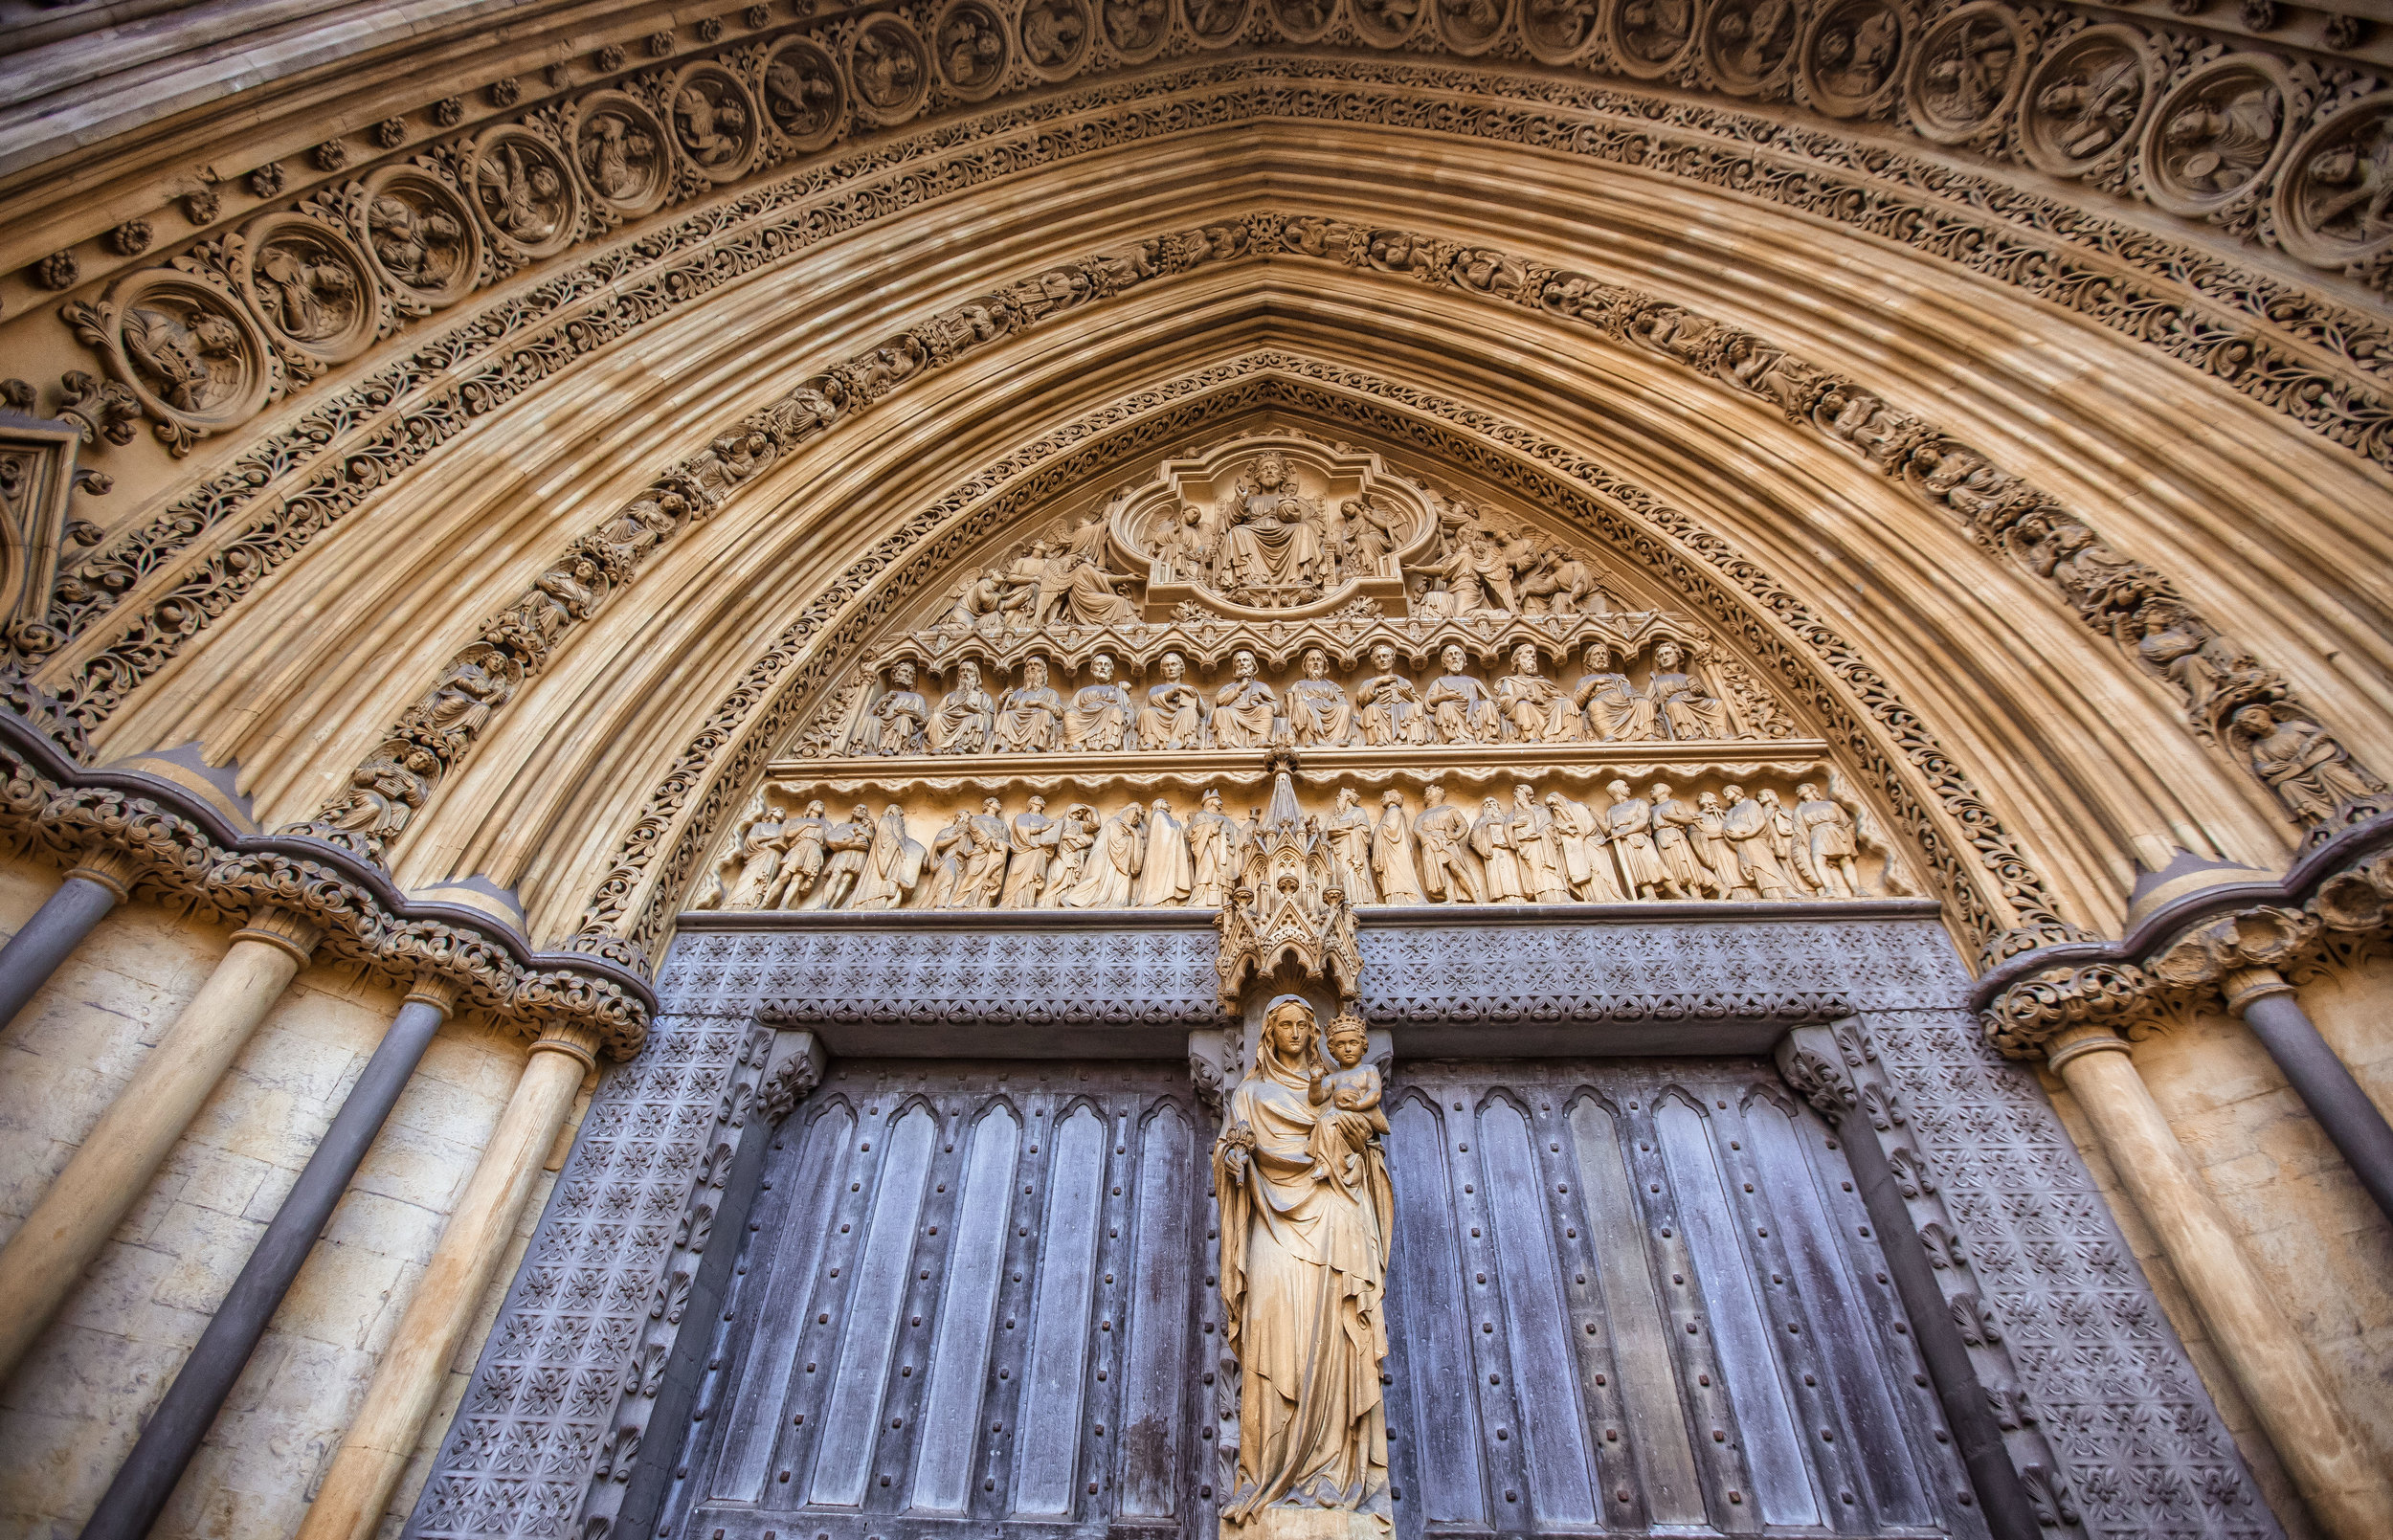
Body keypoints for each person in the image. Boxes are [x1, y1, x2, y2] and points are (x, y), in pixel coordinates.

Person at [1213, 996, 1391, 1531]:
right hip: (1272, 1218)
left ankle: (1331, 1473)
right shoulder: (1250, 1093)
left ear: (1313, 1032)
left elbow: (1367, 1151)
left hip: (1335, 1219)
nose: (1293, 1032)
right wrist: (1235, 1158)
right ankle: (1269, 1476)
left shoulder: (1337, 1087)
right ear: (1268, 1034)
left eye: (1301, 1024)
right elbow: (1227, 1150)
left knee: (1335, 1340)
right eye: (1283, 1024)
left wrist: (1358, 1149)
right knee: (1273, 1336)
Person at [1063, 801, 1145, 906]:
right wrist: (1134, 835)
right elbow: (1118, 845)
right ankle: (1068, 899)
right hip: (1103, 857)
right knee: (1094, 878)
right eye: (1137, 816)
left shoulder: (1127, 828)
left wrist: (1134, 835)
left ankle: (1117, 905)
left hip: (1115, 863)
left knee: (1125, 879)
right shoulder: (1115, 823)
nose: (1138, 821)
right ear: (1131, 813)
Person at [1414, 783, 1485, 903]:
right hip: (1431, 844)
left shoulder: (1449, 810)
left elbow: (1463, 825)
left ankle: (1475, 896)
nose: (1425, 795)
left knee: (1456, 867)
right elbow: (1416, 829)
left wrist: (1456, 835)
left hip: (1447, 841)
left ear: (1437, 795)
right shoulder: (1422, 815)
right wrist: (1426, 837)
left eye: (1428, 792)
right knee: (1442, 872)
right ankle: (1450, 898)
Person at [1354, 643, 1432, 746]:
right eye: (1378, 657)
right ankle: (1378, 739)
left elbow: (1419, 703)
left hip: (1403, 711)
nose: (1382, 660)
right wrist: (1377, 683)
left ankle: (1415, 738)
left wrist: (1410, 698)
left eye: (1385, 656)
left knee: (1415, 708)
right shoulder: (1369, 683)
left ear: (1393, 659)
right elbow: (1362, 701)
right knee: (1371, 709)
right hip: (1380, 710)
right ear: (1373, 662)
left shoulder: (1404, 681)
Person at [1423, 645, 1498, 744]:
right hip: (1452, 709)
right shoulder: (1439, 681)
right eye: (1449, 655)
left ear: (1464, 661)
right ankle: (1452, 737)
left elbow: (1489, 698)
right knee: (1444, 705)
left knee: (1488, 704)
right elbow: (1429, 701)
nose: (1454, 657)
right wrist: (1446, 696)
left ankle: (1487, 735)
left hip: (1474, 709)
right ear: (1444, 664)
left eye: (1457, 654)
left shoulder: (1473, 681)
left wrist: (1491, 702)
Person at [1062, 652, 1135, 751]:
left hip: (1108, 715)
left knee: (1116, 709)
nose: (1103, 667)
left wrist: (1128, 717)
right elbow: (1071, 708)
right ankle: (1076, 743)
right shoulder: (1082, 691)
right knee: (1069, 714)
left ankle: (1109, 742)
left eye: (1106, 665)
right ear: (1091, 670)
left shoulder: (1118, 691)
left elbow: (1129, 710)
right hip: (1085, 718)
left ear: (1112, 672)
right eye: (1099, 664)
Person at [992, 658, 1064, 752]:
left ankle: (1035, 745)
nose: (1031, 667)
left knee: (1045, 714)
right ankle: (1007, 745)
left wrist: (1040, 703)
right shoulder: (1017, 693)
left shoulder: (1050, 693)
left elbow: (1060, 714)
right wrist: (1001, 698)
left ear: (1043, 671)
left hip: (1036, 717)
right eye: (1028, 665)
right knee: (1005, 715)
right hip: (1017, 719)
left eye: (1036, 665)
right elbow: (1002, 712)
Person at [1136, 650, 1205, 748]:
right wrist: (1174, 692)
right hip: (1160, 717)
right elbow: (1154, 700)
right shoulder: (1156, 689)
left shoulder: (1189, 689)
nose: (1170, 668)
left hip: (1181, 717)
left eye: (1174, 664)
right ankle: (1150, 742)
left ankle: (1189, 741)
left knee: (1190, 711)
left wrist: (1196, 701)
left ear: (1181, 668)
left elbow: (1203, 713)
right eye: (1167, 665)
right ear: (1162, 671)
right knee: (1147, 712)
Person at [1286, 648, 1355, 746]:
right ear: (1306, 666)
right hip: (1309, 710)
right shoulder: (1299, 685)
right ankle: (1309, 740)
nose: (1315, 663)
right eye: (1312, 660)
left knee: (1345, 708)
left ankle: (1338, 739)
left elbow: (1342, 700)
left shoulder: (1332, 685)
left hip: (1330, 710)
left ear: (1324, 665)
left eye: (1319, 660)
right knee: (1300, 705)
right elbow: (1290, 707)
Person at [1213, 649, 1281, 748]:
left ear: (1253, 665)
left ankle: (1262, 739)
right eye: (1238, 661)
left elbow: (1277, 708)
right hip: (1234, 711)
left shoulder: (1261, 686)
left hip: (1254, 712)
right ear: (1235, 667)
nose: (1242, 663)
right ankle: (1226, 741)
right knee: (1221, 711)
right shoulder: (1229, 687)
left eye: (1245, 660)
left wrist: (1262, 701)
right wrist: (1240, 688)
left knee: (1266, 709)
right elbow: (1219, 701)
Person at [1188, 787, 1241, 906]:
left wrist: (1252, 823)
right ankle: (1201, 900)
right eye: (1218, 800)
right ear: (1211, 801)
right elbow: (1193, 833)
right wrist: (1212, 826)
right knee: (1207, 872)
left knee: (1221, 877)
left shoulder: (1226, 819)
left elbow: (1239, 834)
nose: (1221, 802)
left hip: (1224, 853)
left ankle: (1223, 901)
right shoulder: (1201, 816)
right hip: (1207, 850)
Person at [928, 660, 995, 754]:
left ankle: (962, 745)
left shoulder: (983, 696)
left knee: (978, 718)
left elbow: (990, 717)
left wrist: (975, 710)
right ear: (958, 676)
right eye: (962, 671)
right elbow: (937, 711)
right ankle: (938, 746)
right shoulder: (950, 696)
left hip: (968, 719)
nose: (965, 674)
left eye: (969, 671)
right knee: (936, 717)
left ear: (976, 676)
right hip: (949, 719)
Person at [1136, 798, 1194, 906]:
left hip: (1169, 854)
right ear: (1159, 804)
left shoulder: (1165, 816)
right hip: (1164, 856)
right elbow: (1167, 831)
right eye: (1166, 802)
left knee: (1170, 878)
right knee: (1164, 877)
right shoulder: (1159, 815)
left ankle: (1169, 900)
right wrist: (1177, 825)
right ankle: (1162, 899)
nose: (1169, 805)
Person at [1371, 790, 1424, 904]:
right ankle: (1396, 900)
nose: (1381, 799)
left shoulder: (1394, 811)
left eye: (1384, 796)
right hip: (1392, 852)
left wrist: (1377, 830)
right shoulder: (1391, 811)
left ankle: (1403, 900)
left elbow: (1391, 829)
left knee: (1398, 877)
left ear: (1392, 797)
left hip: (1395, 853)